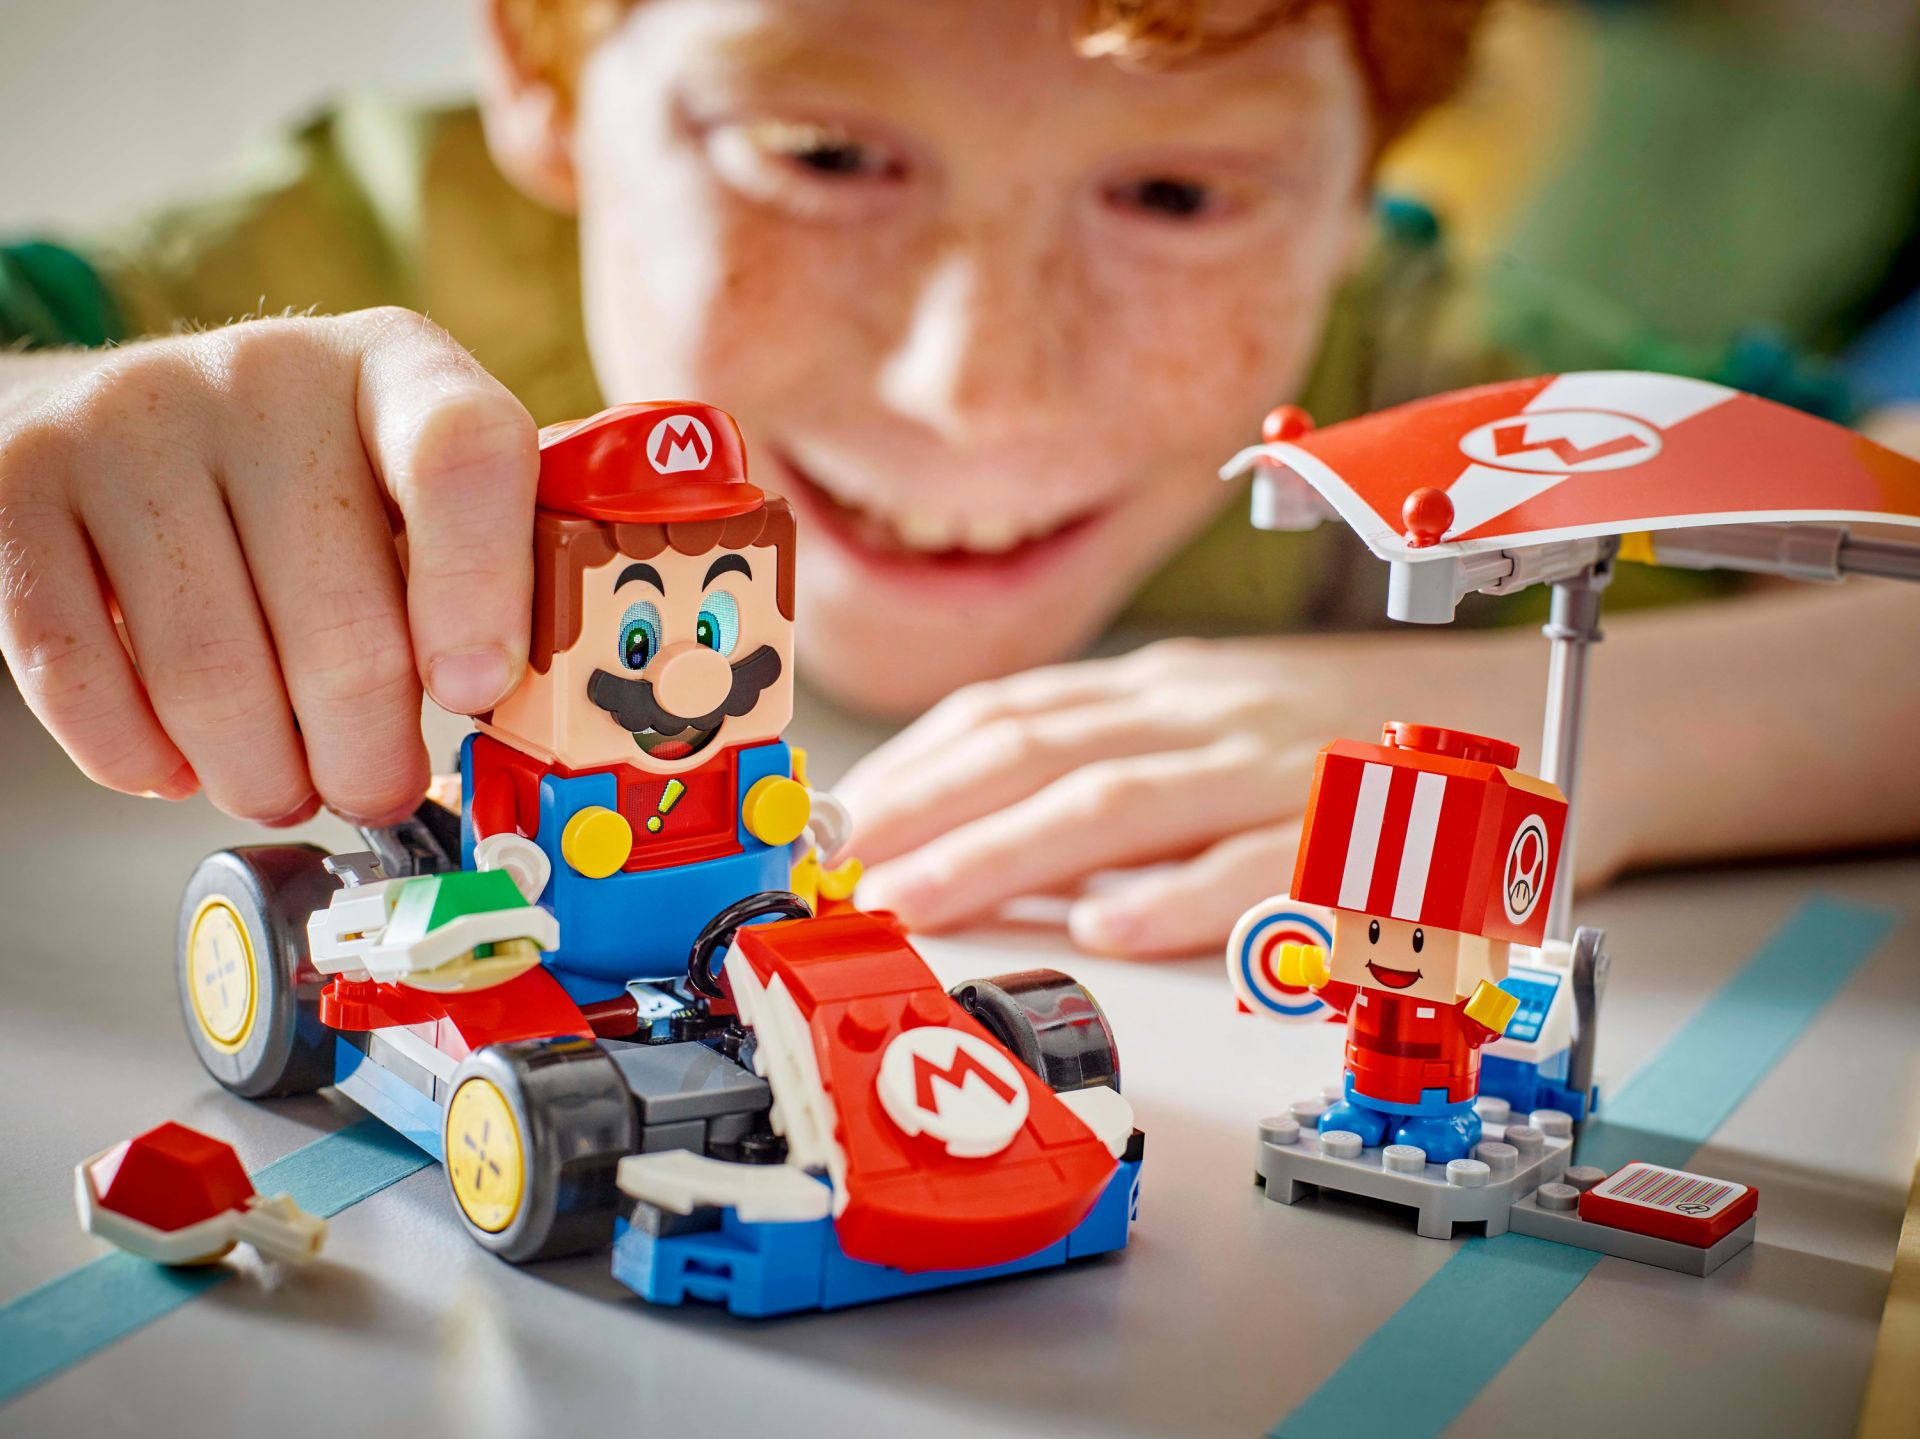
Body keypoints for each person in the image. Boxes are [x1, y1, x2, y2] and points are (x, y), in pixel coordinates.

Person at [0, 0, 1913, 961]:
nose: (973, 386)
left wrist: (1585, 746)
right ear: (552, 82)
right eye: (824, 156)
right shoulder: (354, 252)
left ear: (1367, 193)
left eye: (1176, 193)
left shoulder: (1442, 380)